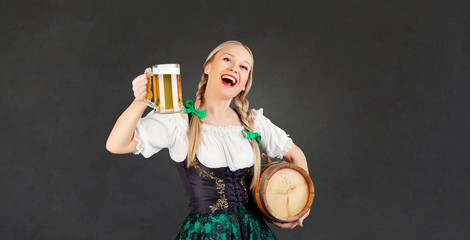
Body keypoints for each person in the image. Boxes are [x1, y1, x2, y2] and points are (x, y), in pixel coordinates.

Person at [106, 40, 310, 239]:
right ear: (208, 67)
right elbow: (116, 144)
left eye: (243, 67)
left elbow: (295, 154)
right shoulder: (179, 121)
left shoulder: (253, 122)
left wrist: (301, 207)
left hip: (254, 233)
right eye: (227, 59)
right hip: (205, 234)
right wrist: (140, 102)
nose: (234, 68)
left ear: (245, 83)